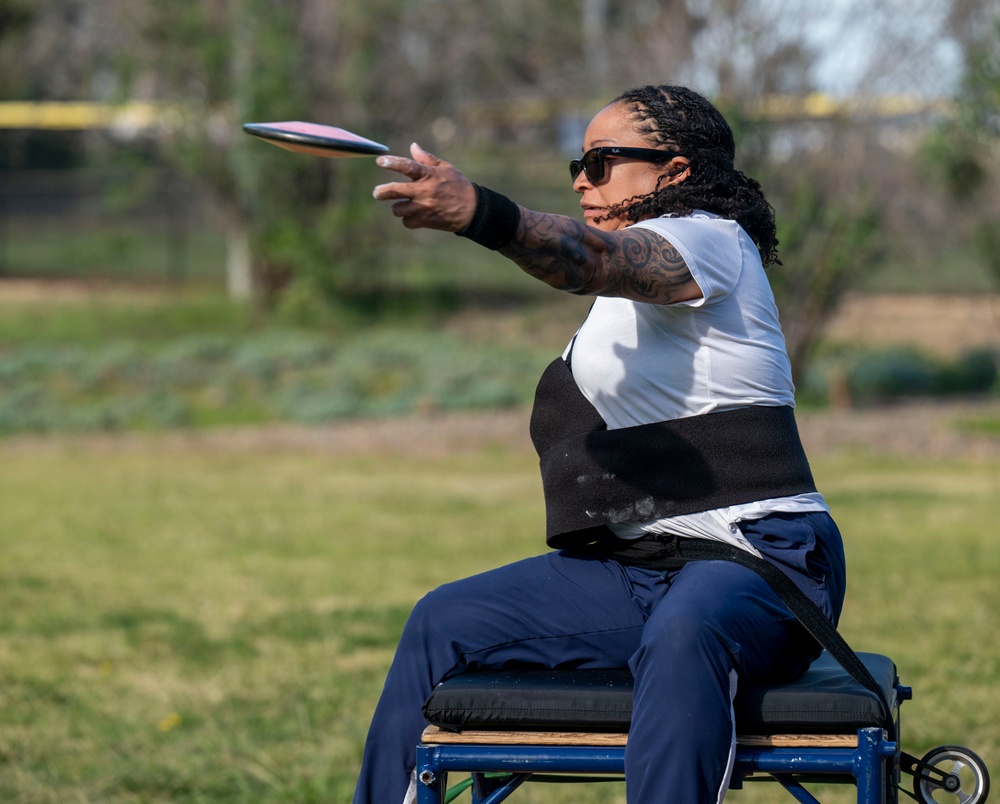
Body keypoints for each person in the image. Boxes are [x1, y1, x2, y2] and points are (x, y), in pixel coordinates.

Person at [357, 84, 846, 803]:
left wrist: (480, 213)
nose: (583, 179)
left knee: (684, 635)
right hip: (641, 570)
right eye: (577, 164)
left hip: (764, 559)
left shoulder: (710, 240)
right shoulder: (617, 309)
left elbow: (593, 258)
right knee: (443, 621)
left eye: (603, 160)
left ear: (674, 172)